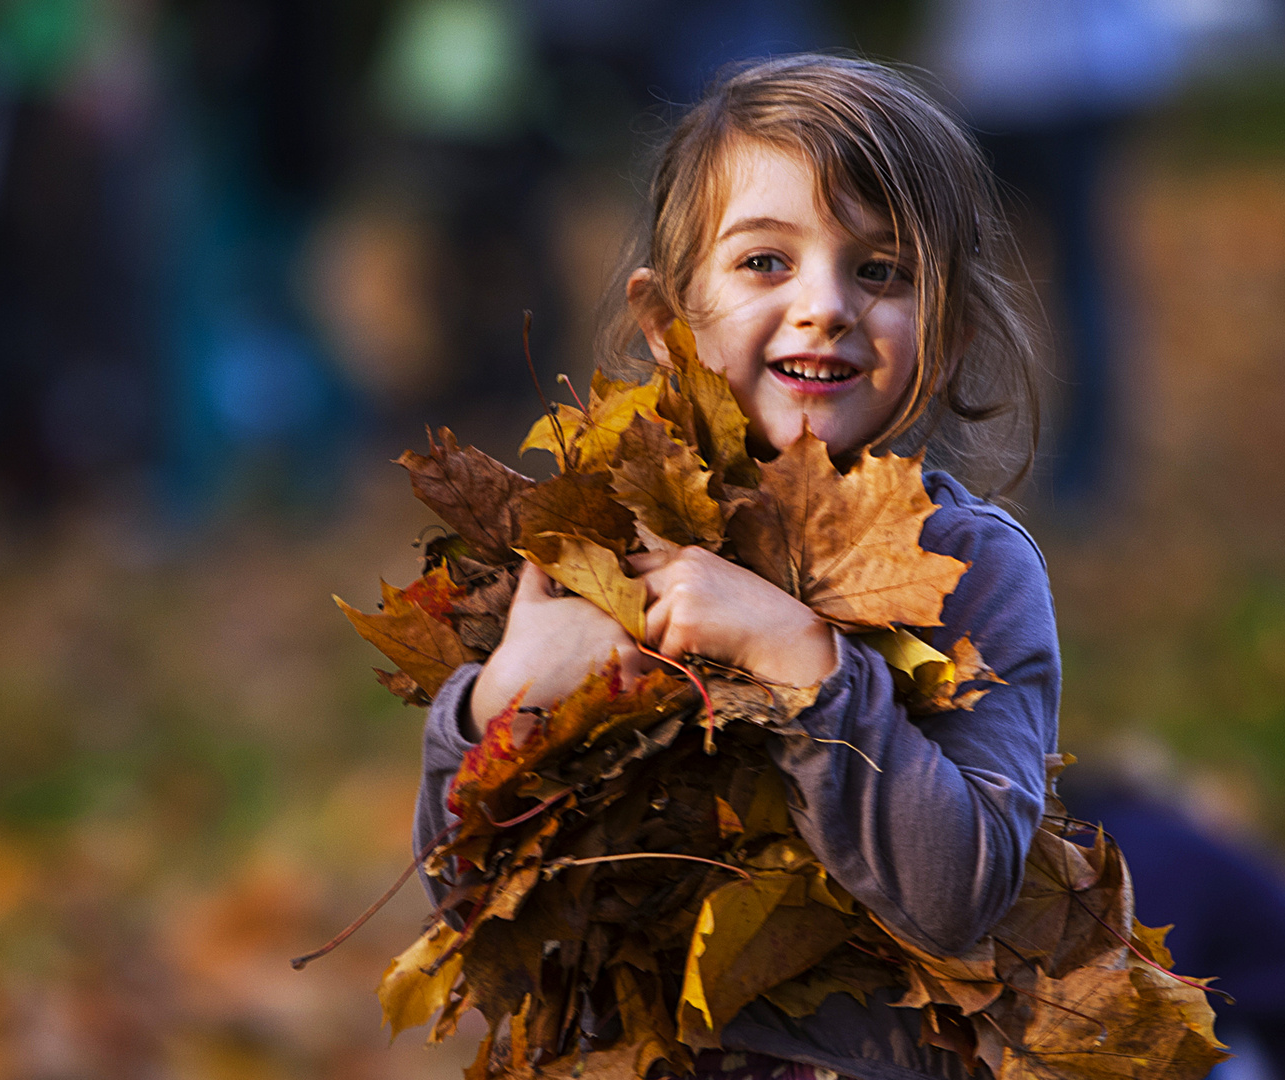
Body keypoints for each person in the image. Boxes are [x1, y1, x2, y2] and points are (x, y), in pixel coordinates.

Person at [413, 54, 1058, 1080]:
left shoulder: (971, 568)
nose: (826, 306)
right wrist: (502, 702)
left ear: (952, 328)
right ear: (665, 323)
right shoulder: (606, 543)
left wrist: (805, 664)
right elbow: (466, 901)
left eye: (881, 270)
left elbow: (958, 892)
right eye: (767, 262)